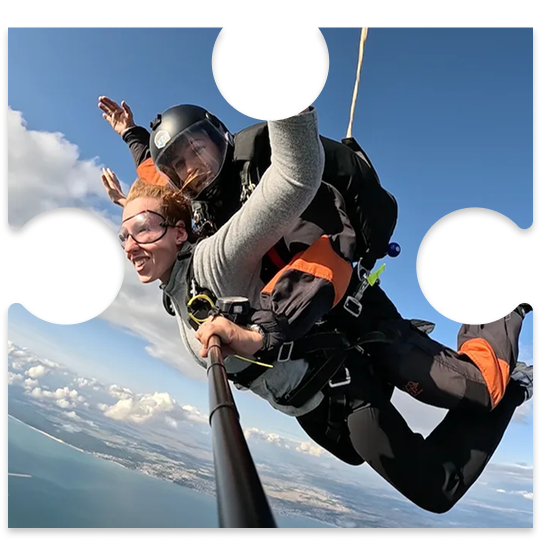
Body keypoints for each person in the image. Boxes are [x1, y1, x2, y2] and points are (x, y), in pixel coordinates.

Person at [99, 100, 534, 513]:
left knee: (480, 390)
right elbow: (156, 187)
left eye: (198, 152)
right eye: (181, 168)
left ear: (221, 137)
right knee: (380, 461)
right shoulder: (202, 213)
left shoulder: (265, 184)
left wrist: (263, 330)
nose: (194, 170)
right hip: (319, 354)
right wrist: (132, 135)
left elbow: (328, 255)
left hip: (354, 317)